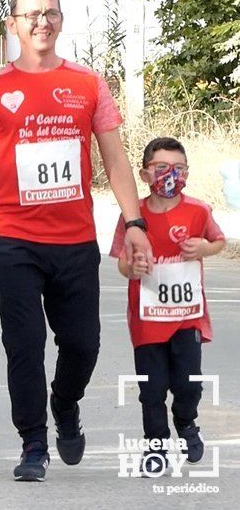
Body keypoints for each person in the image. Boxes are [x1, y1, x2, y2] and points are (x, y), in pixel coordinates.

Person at [0, 0, 154, 482]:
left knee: (83, 344)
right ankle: (33, 441)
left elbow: (114, 159)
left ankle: (65, 403)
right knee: (24, 343)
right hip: (13, 240)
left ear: (61, 19)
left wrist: (134, 222)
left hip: (75, 240)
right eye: (31, 14)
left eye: (50, 12)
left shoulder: (88, 84)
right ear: (13, 24)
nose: (42, 22)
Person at [110, 137, 225, 477]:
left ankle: (186, 421)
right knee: (152, 389)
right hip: (148, 319)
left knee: (189, 384)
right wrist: (133, 269)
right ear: (145, 175)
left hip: (187, 317)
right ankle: (155, 447)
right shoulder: (135, 216)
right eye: (161, 169)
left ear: (187, 173)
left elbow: (219, 241)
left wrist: (204, 248)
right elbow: (121, 262)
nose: (170, 175)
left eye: (178, 169)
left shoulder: (197, 210)